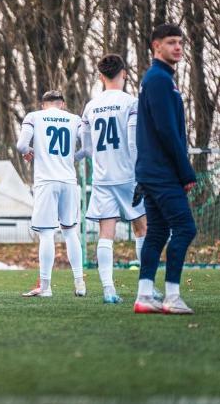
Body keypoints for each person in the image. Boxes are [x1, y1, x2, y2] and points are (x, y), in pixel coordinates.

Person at [133, 24, 198, 315]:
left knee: (158, 231)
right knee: (185, 228)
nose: (178, 47)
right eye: (171, 42)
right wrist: (185, 171)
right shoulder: (159, 79)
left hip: (151, 171)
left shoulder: (159, 79)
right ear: (156, 46)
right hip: (161, 172)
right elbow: (167, 130)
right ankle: (172, 296)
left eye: (180, 42)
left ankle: (144, 295)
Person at [77, 54, 150, 304]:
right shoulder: (131, 102)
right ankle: (146, 288)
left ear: (100, 76)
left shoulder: (90, 106)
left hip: (102, 178)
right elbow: (133, 143)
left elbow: (87, 148)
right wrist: (141, 173)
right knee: (142, 228)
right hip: (128, 176)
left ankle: (109, 290)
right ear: (124, 74)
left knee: (105, 233)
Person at [17, 90, 86, 298]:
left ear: (43, 104)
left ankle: (46, 287)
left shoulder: (34, 117)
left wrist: (27, 152)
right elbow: (88, 148)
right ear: (62, 104)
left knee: (46, 234)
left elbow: (21, 145)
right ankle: (79, 283)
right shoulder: (75, 119)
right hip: (68, 181)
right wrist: (73, 158)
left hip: (46, 181)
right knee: (70, 232)